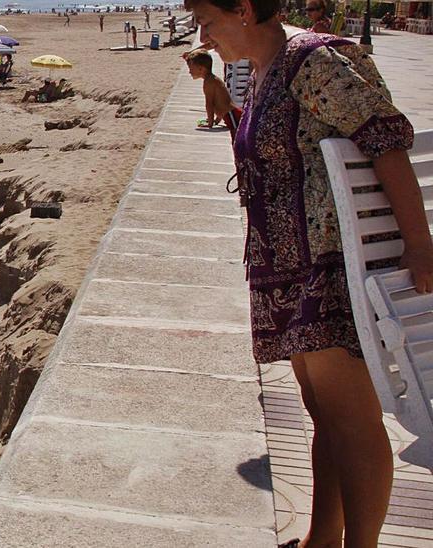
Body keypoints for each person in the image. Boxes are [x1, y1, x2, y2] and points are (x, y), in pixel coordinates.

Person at [185, 0, 424, 546]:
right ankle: (322, 538)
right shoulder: (265, 69)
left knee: (351, 419)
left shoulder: (312, 60)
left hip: (327, 269)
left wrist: (419, 244)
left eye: (208, 20)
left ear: (244, 11)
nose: (203, 34)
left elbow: (385, 136)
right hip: (290, 268)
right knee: (325, 414)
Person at [184, 48, 241, 137]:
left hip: (232, 115)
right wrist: (216, 120)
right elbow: (221, 103)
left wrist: (210, 123)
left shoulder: (209, 82)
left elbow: (209, 104)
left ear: (201, 69)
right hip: (231, 114)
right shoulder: (212, 79)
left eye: (191, 68)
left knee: (236, 136)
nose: (189, 71)